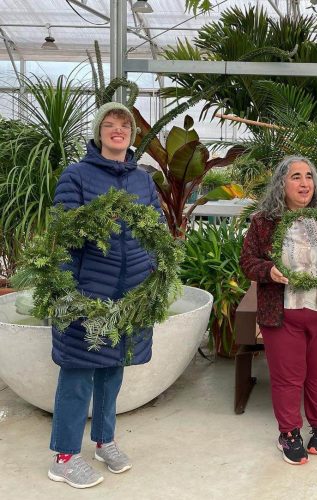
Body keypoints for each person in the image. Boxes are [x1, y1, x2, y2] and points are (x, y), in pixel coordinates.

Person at [47, 102, 162, 488]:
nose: (118, 130)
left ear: (131, 135)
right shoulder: (76, 176)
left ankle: (104, 441)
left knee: (112, 371)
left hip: (129, 294)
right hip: (86, 291)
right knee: (78, 372)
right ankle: (63, 457)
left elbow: (157, 228)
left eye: (124, 125)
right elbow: (61, 238)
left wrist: (154, 273)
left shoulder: (143, 180)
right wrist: (67, 294)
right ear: (99, 133)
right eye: (110, 125)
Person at [240, 156, 317, 465]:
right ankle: (289, 432)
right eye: (296, 176)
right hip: (282, 313)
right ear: (282, 183)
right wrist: (269, 271)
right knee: (286, 377)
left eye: (309, 176)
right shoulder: (263, 221)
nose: (304, 183)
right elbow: (248, 261)